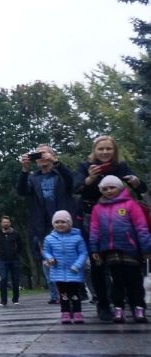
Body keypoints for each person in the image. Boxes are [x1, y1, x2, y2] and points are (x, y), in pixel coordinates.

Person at [73, 135, 147, 321]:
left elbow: (140, 188)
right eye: (101, 149)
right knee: (98, 263)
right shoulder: (85, 167)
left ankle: (132, 302)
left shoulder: (120, 167)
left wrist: (136, 182)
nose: (105, 152)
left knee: (126, 263)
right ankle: (104, 304)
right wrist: (91, 178)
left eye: (109, 149)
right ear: (94, 151)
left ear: (114, 151)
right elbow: (76, 187)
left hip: (121, 218)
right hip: (94, 216)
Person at [16, 144, 76, 304]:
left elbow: (73, 182)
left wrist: (56, 162)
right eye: (38, 154)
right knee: (48, 260)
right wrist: (24, 169)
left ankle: (75, 291)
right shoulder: (33, 177)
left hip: (65, 224)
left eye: (45, 153)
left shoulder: (60, 174)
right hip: (43, 226)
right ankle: (56, 295)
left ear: (52, 155)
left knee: (68, 256)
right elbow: (21, 191)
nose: (41, 156)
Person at [89, 175, 151, 324]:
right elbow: (94, 230)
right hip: (110, 251)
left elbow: (141, 227)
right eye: (105, 188)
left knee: (134, 281)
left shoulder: (131, 205)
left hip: (130, 249)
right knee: (116, 282)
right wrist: (94, 249)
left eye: (112, 187)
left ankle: (138, 307)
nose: (109, 191)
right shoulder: (98, 208)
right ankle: (118, 308)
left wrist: (146, 248)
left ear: (120, 188)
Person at [42, 210, 88, 324]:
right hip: (58, 271)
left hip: (74, 271)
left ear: (69, 223)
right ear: (53, 224)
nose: (60, 224)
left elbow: (83, 253)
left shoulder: (77, 238)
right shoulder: (49, 238)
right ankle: (65, 312)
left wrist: (77, 265)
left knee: (75, 294)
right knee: (63, 295)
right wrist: (50, 258)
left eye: (63, 222)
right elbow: (46, 251)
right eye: (57, 222)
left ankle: (77, 312)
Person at [0, 216, 23, 305]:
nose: (6, 223)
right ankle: (3, 300)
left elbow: (21, 245)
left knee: (15, 279)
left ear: (10, 223)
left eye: (7, 222)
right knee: (3, 279)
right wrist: (0, 255)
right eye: (4, 222)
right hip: (3, 261)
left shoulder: (16, 234)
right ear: (1, 224)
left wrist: (16, 253)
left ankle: (15, 299)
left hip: (14, 260)